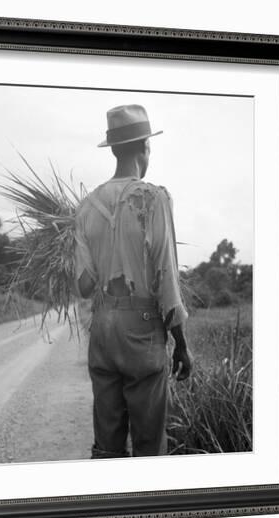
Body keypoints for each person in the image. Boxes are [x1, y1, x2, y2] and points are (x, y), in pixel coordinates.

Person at [72, 104, 193, 459]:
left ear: (112, 149)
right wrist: (181, 344)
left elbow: (84, 286)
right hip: (141, 333)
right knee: (148, 444)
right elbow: (167, 277)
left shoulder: (85, 206)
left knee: (106, 445)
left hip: (102, 330)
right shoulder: (154, 198)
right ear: (145, 147)